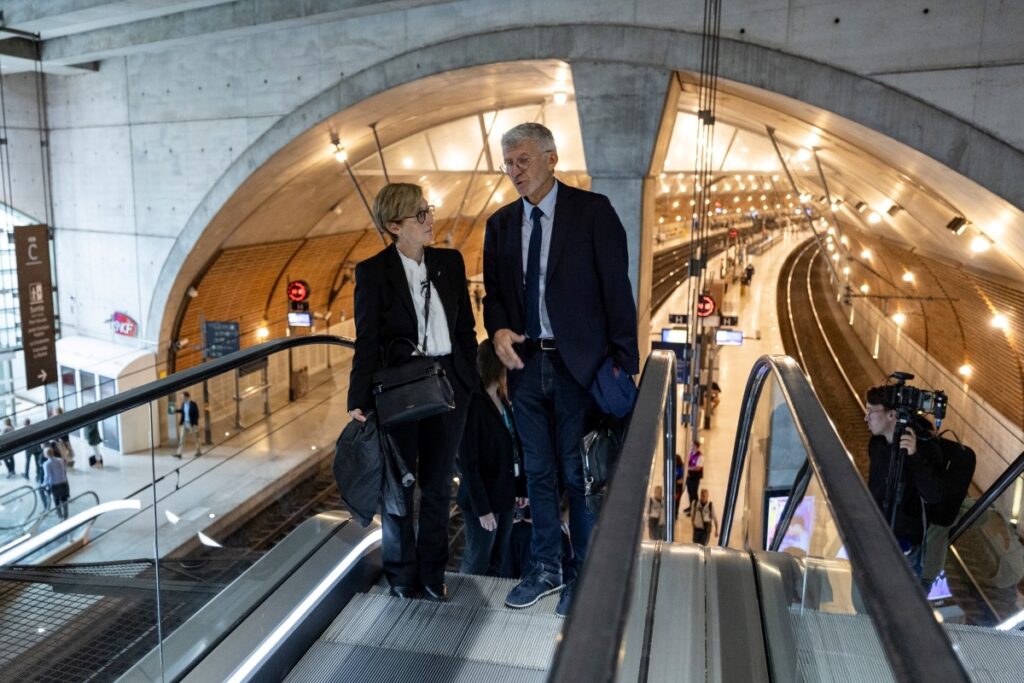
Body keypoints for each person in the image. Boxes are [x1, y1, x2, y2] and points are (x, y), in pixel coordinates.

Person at [484, 122, 639, 617]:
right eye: (508, 163)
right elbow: (495, 297)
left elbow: (618, 292)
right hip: (527, 367)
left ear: (552, 159)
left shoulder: (593, 214)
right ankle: (546, 568)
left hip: (580, 366)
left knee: (580, 474)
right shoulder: (500, 224)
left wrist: (623, 365)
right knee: (538, 471)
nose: (514, 171)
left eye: (523, 160)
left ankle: (586, 575)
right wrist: (499, 330)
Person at [348, 182, 479, 601]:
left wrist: (468, 379)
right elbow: (366, 340)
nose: (430, 219)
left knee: (439, 485)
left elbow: (465, 329)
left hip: (449, 389)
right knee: (400, 486)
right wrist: (358, 401)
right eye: (419, 215)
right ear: (393, 225)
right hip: (402, 392)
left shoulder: (450, 262)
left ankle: (431, 573)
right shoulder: (373, 273)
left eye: (429, 210)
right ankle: (401, 575)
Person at [456, 340, 525, 576]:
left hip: (504, 496)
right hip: (483, 501)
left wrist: (519, 489)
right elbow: (468, 464)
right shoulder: (473, 403)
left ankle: (485, 608)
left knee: (497, 560)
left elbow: (513, 446)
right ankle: (464, 609)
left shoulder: (502, 398)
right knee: (477, 561)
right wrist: (483, 510)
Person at [864, 385, 943, 579]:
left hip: (906, 551)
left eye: (870, 412)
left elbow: (933, 495)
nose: (866, 418)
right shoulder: (877, 443)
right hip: (875, 538)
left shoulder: (926, 449)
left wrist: (914, 456)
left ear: (891, 415)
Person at [42, 444, 70, 520]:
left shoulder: (46, 464)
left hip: (55, 484)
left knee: (56, 500)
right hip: (63, 482)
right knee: (64, 500)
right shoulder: (60, 460)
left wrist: (44, 484)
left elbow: (47, 475)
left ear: (46, 454)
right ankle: (66, 516)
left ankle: (60, 515)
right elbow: (64, 471)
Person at [175, 391, 202, 458]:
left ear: (187, 397)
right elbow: (182, 411)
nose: (182, 398)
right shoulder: (183, 404)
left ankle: (198, 452)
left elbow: (197, 414)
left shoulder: (193, 404)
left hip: (192, 424)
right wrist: (175, 410)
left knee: (196, 438)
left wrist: (195, 424)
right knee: (182, 439)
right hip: (185, 423)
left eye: (182, 397)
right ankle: (179, 453)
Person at [685, 440, 704, 512]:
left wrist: (688, 468)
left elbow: (698, 468)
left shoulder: (700, 456)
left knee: (694, 493)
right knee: (690, 492)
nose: (691, 446)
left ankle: (695, 509)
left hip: (695, 477)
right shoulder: (690, 453)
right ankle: (691, 507)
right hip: (689, 476)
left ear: (696, 446)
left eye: (692, 445)